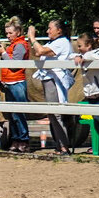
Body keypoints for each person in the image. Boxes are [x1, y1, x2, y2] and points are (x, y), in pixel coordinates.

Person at [28, 20, 74, 156]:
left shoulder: (62, 42)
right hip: (49, 80)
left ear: (59, 30)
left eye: (50, 28)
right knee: (52, 114)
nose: (47, 31)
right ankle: (59, 145)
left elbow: (40, 50)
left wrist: (32, 37)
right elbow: (37, 52)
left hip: (55, 81)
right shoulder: (53, 43)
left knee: (56, 114)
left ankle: (63, 147)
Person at [0, 17, 31, 152]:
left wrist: (3, 53)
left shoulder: (19, 45)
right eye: (7, 33)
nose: (8, 36)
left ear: (18, 32)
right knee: (13, 114)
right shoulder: (14, 45)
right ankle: (16, 139)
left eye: (10, 33)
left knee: (19, 113)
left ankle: (23, 140)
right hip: (10, 81)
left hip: (17, 81)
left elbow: (14, 64)